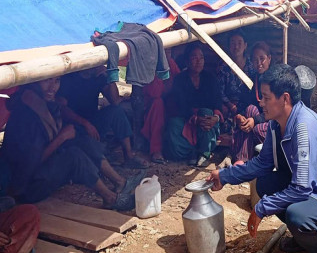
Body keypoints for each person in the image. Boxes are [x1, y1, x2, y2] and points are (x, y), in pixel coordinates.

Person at [208, 64, 317, 253]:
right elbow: (262, 163)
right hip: (314, 188)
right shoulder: (276, 123)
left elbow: (302, 188)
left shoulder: (303, 130)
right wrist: (224, 176)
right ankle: (303, 240)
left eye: (266, 98)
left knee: (297, 216)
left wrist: (262, 208)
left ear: (285, 98)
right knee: (265, 184)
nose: (261, 103)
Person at [0, 78, 141, 210]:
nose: (52, 87)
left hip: (36, 173)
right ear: (33, 81)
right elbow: (30, 165)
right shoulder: (27, 114)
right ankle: (110, 198)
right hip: (24, 188)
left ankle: (119, 182)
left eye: (57, 81)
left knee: (80, 139)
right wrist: (61, 138)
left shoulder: (39, 102)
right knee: (74, 156)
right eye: (47, 81)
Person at [58, 67, 148, 169]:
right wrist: (84, 123)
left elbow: (115, 101)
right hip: (74, 125)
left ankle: (128, 156)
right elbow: (62, 109)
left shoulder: (98, 76)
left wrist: (109, 77)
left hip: (94, 122)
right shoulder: (69, 78)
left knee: (116, 111)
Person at [164, 43, 223, 167]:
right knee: (173, 125)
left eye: (201, 57)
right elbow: (180, 104)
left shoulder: (210, 78)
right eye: (194, 57)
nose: (198, 61)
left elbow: (217, 102)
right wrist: (194, 118)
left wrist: (215, 118)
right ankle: (191, 151)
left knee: (205, 113)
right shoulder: (180, 79)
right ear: (187, 60)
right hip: (188, 119)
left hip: (207, 121)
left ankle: (204, 153)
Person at [230, 41, 272, 165]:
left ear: (269, 58)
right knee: (249, 110)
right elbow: (245, 103)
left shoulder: (275, 81)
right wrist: (240, 116)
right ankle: (242, 159)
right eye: (255, 60)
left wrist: (255, 120)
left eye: (262, 59)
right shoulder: (253, 81)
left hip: (274, 121)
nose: (259, 63)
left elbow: (275, 110)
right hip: (258, 119)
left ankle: (244, 158)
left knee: (257, 129)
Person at [141, 49, 181, 164]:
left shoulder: (171, 63)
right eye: (164, 50)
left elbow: (180, 82)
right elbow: (155, 93)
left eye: (169, 50)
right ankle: (156, 149)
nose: (167, 53)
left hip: (169, 102)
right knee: (158, 104)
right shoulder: (151, 65)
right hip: (150, 108)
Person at [217, 31, 255, 124]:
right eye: (233, 43)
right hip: (229, 107)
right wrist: (231, 106)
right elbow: (220, 91)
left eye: (239, 43)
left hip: (248, 105)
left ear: (245, 45)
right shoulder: (223, 67)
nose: (236, 47)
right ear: (229, 46)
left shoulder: (251, 65)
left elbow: (255, 88)